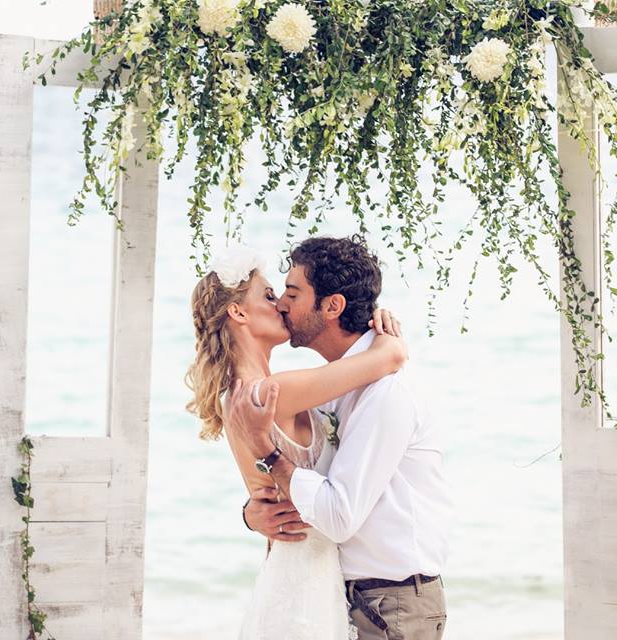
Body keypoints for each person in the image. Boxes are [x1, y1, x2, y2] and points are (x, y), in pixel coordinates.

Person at [230, 236, 453, 639]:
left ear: (332, 307)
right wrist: (253, 512)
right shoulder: (345, 382)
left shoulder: (386, 390)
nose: (282, 303)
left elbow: (336, 515)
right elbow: (313, 466)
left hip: (392, 604)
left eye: (292, 293)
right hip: (349, 597)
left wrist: (266, 453)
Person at [185, 242, 406, 639]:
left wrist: (252, 514)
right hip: (306, 577)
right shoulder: (269, 393)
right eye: (269, 296)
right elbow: (388, 359)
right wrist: (385, 333)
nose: (282, 305)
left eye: (286, 294)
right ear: (238, 313)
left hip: (301, 570)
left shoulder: (246, 392)